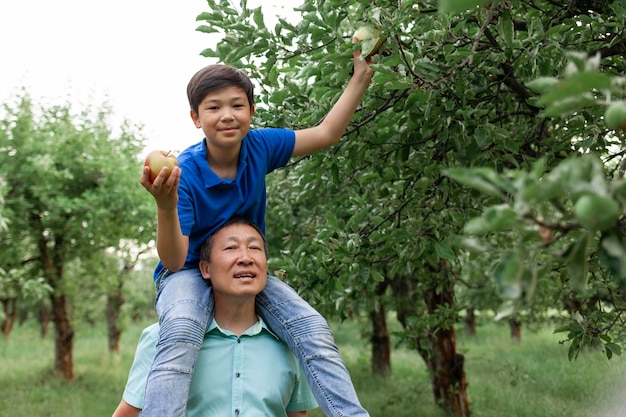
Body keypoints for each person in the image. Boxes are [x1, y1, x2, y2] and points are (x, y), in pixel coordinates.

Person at [139, 47, 374, 417]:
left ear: (251, 111)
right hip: (187, 271)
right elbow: (172, 259)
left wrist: (360, 76)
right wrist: (165, 205)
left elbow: (327, 133)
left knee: (312, 329)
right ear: (195, 118)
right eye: (214, 107)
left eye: (237, 105)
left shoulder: (260, 145)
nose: (227, 115)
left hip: (239, 266)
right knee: (182, 329)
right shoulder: (185, 172)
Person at [112, 217, 318, 417]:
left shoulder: (289, 341)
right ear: (205, 268)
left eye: (254, 248)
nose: (245, 258)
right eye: (231, 248)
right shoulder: (164, 337)